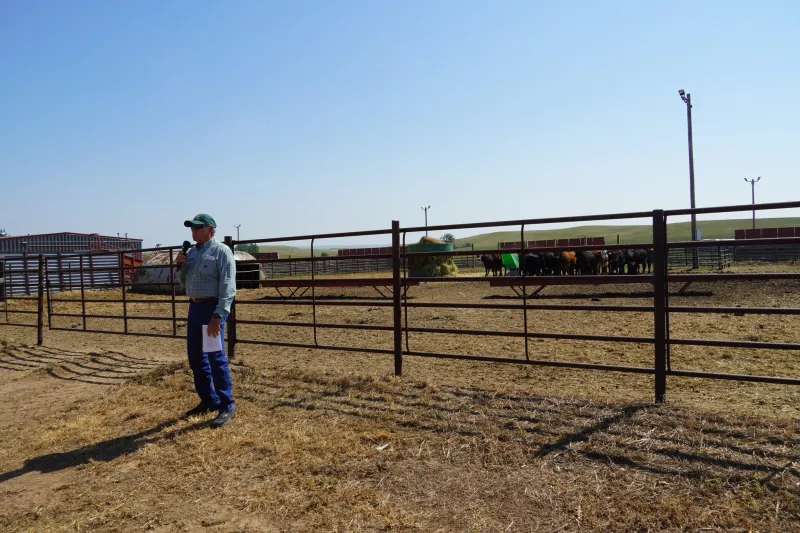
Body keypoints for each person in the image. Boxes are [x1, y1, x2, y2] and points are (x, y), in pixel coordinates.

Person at [175, 214, 237, 427]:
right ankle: (208, 399)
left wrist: (218, 316)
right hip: (194, 307)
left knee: (215, 357)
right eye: (192, 228)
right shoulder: (191, 253)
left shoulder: (221, 251)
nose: (193, 231)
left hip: (211, 310)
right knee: (195, 356)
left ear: (210, 229)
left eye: (198, 228)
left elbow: (228, 286)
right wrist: (180, 266)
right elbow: (183, 281)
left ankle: (226, 405)